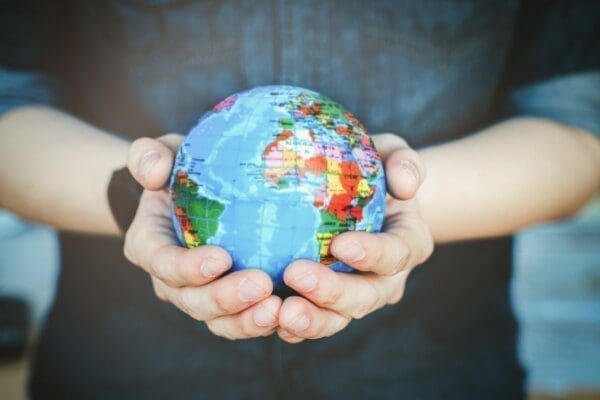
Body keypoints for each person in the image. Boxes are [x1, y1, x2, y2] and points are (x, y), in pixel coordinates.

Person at [0, 0, 598, 398]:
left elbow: (578, 126)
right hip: (125, 368)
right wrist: (140, 197)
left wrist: (398, 213)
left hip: (433, 367)